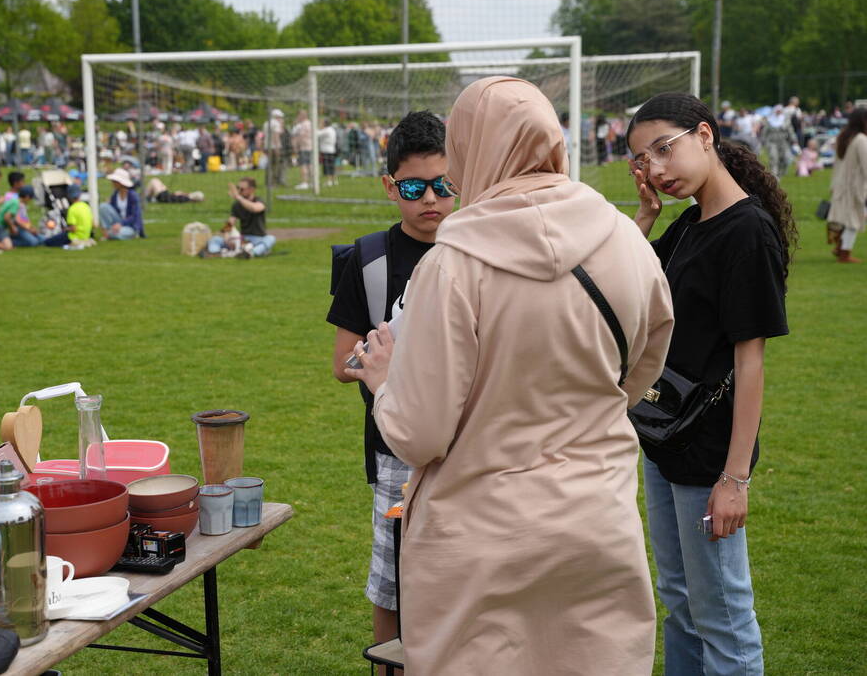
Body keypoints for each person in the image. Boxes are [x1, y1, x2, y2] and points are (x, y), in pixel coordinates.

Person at [348, 78, 673, 675]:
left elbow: (419, 432)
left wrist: (384, 381)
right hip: (595, 516)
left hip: (482, 535)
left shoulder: (453, 264)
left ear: (471, 148)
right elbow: (640, 367)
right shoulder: (627, 239)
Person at [627, 92, 795, 675]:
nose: (656, 168)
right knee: (681, 604)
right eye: (643, 160)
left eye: (664, 149)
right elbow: (622, 287)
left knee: (722, 613)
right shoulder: (690, 225)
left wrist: (735, 477)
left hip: (710, 457)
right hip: (663, 439)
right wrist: (645, 215)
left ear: (705, 136)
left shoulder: (748, 231)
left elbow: (752, 363)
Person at [326, 110, 457, 660]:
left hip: (467, 446)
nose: (431, 198)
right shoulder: (369, 259)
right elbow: (343, 363)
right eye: (413, 186)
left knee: (462, 572)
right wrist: (386, 355)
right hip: (396, 448)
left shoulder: (477, 249)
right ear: (389, 186)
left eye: (443, 184)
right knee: (392, 576)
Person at [826, 108, 867, 263]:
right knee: (852, 221)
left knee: (844, 218)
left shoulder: (843, 136)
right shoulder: (861, 139)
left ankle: (839, 248)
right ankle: (844, 254)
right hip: (854, 186)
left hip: (840, 184)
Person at [201, 177, 274, 258]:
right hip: (242, 238)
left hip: (257, 238)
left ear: (251, 190)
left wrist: (238, 197)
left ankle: (251, 253)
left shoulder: (259, 200)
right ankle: (215, 253)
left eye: (242, 189)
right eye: (237, 188)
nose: (238, 191)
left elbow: (255, 208)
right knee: (215, 239)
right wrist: (226, 236)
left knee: (270, 238)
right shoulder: (237, 205)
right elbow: (230, 222)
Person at [44, 184, 94, 249]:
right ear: (80, 194)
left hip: (74, 237)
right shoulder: (86, 206)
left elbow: (73, 228)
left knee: (48, 242)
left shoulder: (72, 209)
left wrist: (64, 229)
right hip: (86, 236)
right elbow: (92, 224)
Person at [100, 168, 145, 240]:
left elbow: (134, 216)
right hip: (118, 221)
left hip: (130, 226)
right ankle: (108, 232)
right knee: (103, 206)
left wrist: (121, 224)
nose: (112, 182)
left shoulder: (133, 196)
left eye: (114, 181)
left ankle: (113, 234)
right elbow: (112, 210)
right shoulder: (115, 195)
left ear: (120, 183)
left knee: (115, 234)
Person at [760, 105, 797, 179]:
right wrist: (762, 142)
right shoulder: (769, 121)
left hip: (783, 142)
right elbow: (764, 132)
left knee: (786, 158)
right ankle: (774, 175)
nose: (778, 112)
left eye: (780, 110)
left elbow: (791, 131)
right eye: (777, 110)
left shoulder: (786, 120)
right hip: (772, 142)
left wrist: (794, 140)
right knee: (774, 158)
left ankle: (781, 173)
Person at [292, 110, 313, 189]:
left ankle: (304, 182)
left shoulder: (302, 125)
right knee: (310, 165)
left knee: (303, 165)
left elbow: (300, 136)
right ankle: (311, 182)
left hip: (304, 147)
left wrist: (296, 146)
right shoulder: (310, 123)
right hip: (311, 147)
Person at [317, 118, 338, 187]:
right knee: (332, 166)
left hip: (326, 150)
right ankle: (334, 180)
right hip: (332, 150)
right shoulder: (332, 129)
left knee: (327, 167)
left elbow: (317, 134)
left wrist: (319, 127)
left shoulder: (326, 130)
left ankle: (329, 181)